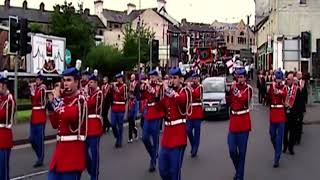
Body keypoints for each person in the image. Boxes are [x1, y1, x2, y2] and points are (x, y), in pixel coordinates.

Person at [47, 67, 87, 180]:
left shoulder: (81, 100)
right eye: (64, 80)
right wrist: (50, 106)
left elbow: (70, 116)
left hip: (72, 155)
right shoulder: (64, 101)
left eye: (69, 80)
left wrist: (57, 101)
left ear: (77, 82)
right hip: (59, 154)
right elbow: (55, 124)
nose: (65, 83)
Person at [158, 67, 190, 180]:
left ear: (181, 79)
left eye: (174, 78)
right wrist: (157, 91)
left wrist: (167, 89)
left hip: (178, 136)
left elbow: (180, 100)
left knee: (174, 172)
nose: (172, 80)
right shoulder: (167, 93)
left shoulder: (185, 91)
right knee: (162, 169)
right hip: (167, 136)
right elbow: (159, 107)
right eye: (170, 78)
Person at [226, 66, 252, 180]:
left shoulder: (248, 88)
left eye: (241, 77)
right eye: (238, 77)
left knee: (242, 153)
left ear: (245, 78)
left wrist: (235, 90)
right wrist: (227, 92)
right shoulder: (233, 88)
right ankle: (238, 171)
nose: (239, 79)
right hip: (233, 123)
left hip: (243, 122)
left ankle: (240, 176)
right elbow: (229, 102)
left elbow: (244, 99)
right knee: (232, 150)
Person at [140, 70, 164, 172]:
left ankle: (153, 162)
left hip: (157, 112)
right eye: (150, 77)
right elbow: (141, 96)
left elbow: (157, 96)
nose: (152, 79)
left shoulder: (160, 86)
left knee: (155, 139)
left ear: (157, 77)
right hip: (148, 113)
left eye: (153, 77)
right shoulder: (147, 85)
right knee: (145, 137)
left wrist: (149, 87)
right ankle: (153, 155)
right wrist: (141, 87)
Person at [266, 70, 287, 168]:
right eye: (277, 78)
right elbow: (268, 97)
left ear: (282, 79)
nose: (278, 80)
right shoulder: (272, 86)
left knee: (279, 138)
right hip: (273, 113)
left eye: (280, 78)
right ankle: (277, 149)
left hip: (281, 114)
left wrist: (279, 91)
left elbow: (285, 96)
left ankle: (276, 159)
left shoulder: (284, 87)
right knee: (272, 134)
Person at [86, 72, 103, 180]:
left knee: (94, 152)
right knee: (83, 151)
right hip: (87, 125)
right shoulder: (90, 93)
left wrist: (85, 97)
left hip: (95, 124)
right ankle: (92, 170)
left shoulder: (99, 93)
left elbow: (91, 104)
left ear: (96, 83)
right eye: (89, 82)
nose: (89, 84)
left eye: (91, 82)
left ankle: (94, 174)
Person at [29, 72, 47, 168]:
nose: (36, 81)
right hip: (34, 117)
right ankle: (39, 155)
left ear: (41, 80)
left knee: (39, 140)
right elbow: (32, 101)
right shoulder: (36, 89)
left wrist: (33, 91)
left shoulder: (43, 88)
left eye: (38, 79)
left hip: (40, 117)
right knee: (31, 139)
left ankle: (40, 158)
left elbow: (38, 98)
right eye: (36, 79)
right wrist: (32, 91)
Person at [0, 71, 15, 180]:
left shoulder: (10, 100)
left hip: (4, 137)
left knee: (3, 171)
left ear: (4, 85)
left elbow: (4, 116)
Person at [283, 72, 302, 155]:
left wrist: (299, 115)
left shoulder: (297, 89)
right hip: (284, 114)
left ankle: (291, 147)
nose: (288, 81)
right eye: (287, 79)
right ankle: (285, 145)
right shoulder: (284, 88)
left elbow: (299, 103)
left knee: (292, 132)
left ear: (293, 80)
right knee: (284, 132)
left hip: (293, 114)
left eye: (290, 79)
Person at [186, 72, 203, 158]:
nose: (194, 80)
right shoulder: (189, 87)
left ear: (198, 79)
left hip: (197, 113)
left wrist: (189, 88)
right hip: (190, 112)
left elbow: (196, 95)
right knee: (188, 130)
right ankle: (193, 144)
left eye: (196, 78)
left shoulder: (200, 87)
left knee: (197, 132)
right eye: (193, 78)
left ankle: (195, 148)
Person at [110, 72, 127, 148]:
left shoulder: (124, 86)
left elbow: (124, 96)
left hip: (121, 107)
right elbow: (110, 94)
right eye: (117, 78)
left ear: (121, 78)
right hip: (114, 107)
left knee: (120, 125)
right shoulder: (114, 86)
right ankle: (117, 136)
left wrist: (115, 88)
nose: (118, 80)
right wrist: (111, 87)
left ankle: (119, 141)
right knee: (113, 124)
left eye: (119, 78)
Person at [296, 71, 307, 145]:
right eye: (298, 74)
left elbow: (305, 93)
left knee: (300, 122)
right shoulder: (294, 82)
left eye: (300, 75)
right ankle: (294, 137)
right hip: (295, 106)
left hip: (301, 106)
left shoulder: (303, 82)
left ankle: (298, 138)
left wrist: (305, 103)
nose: (299, 75)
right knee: (294, 123)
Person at [128, 73, 139, 143]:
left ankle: (135, 131)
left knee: (132, 119)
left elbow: (137, 94)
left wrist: (133, 97)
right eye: (131, 77)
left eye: (133, 77)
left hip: (134, 103)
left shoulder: (137, 84)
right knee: (129, 119)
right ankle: (130, 137)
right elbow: (127, 93)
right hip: (129, 103)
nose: (132, 79)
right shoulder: (128, 84)